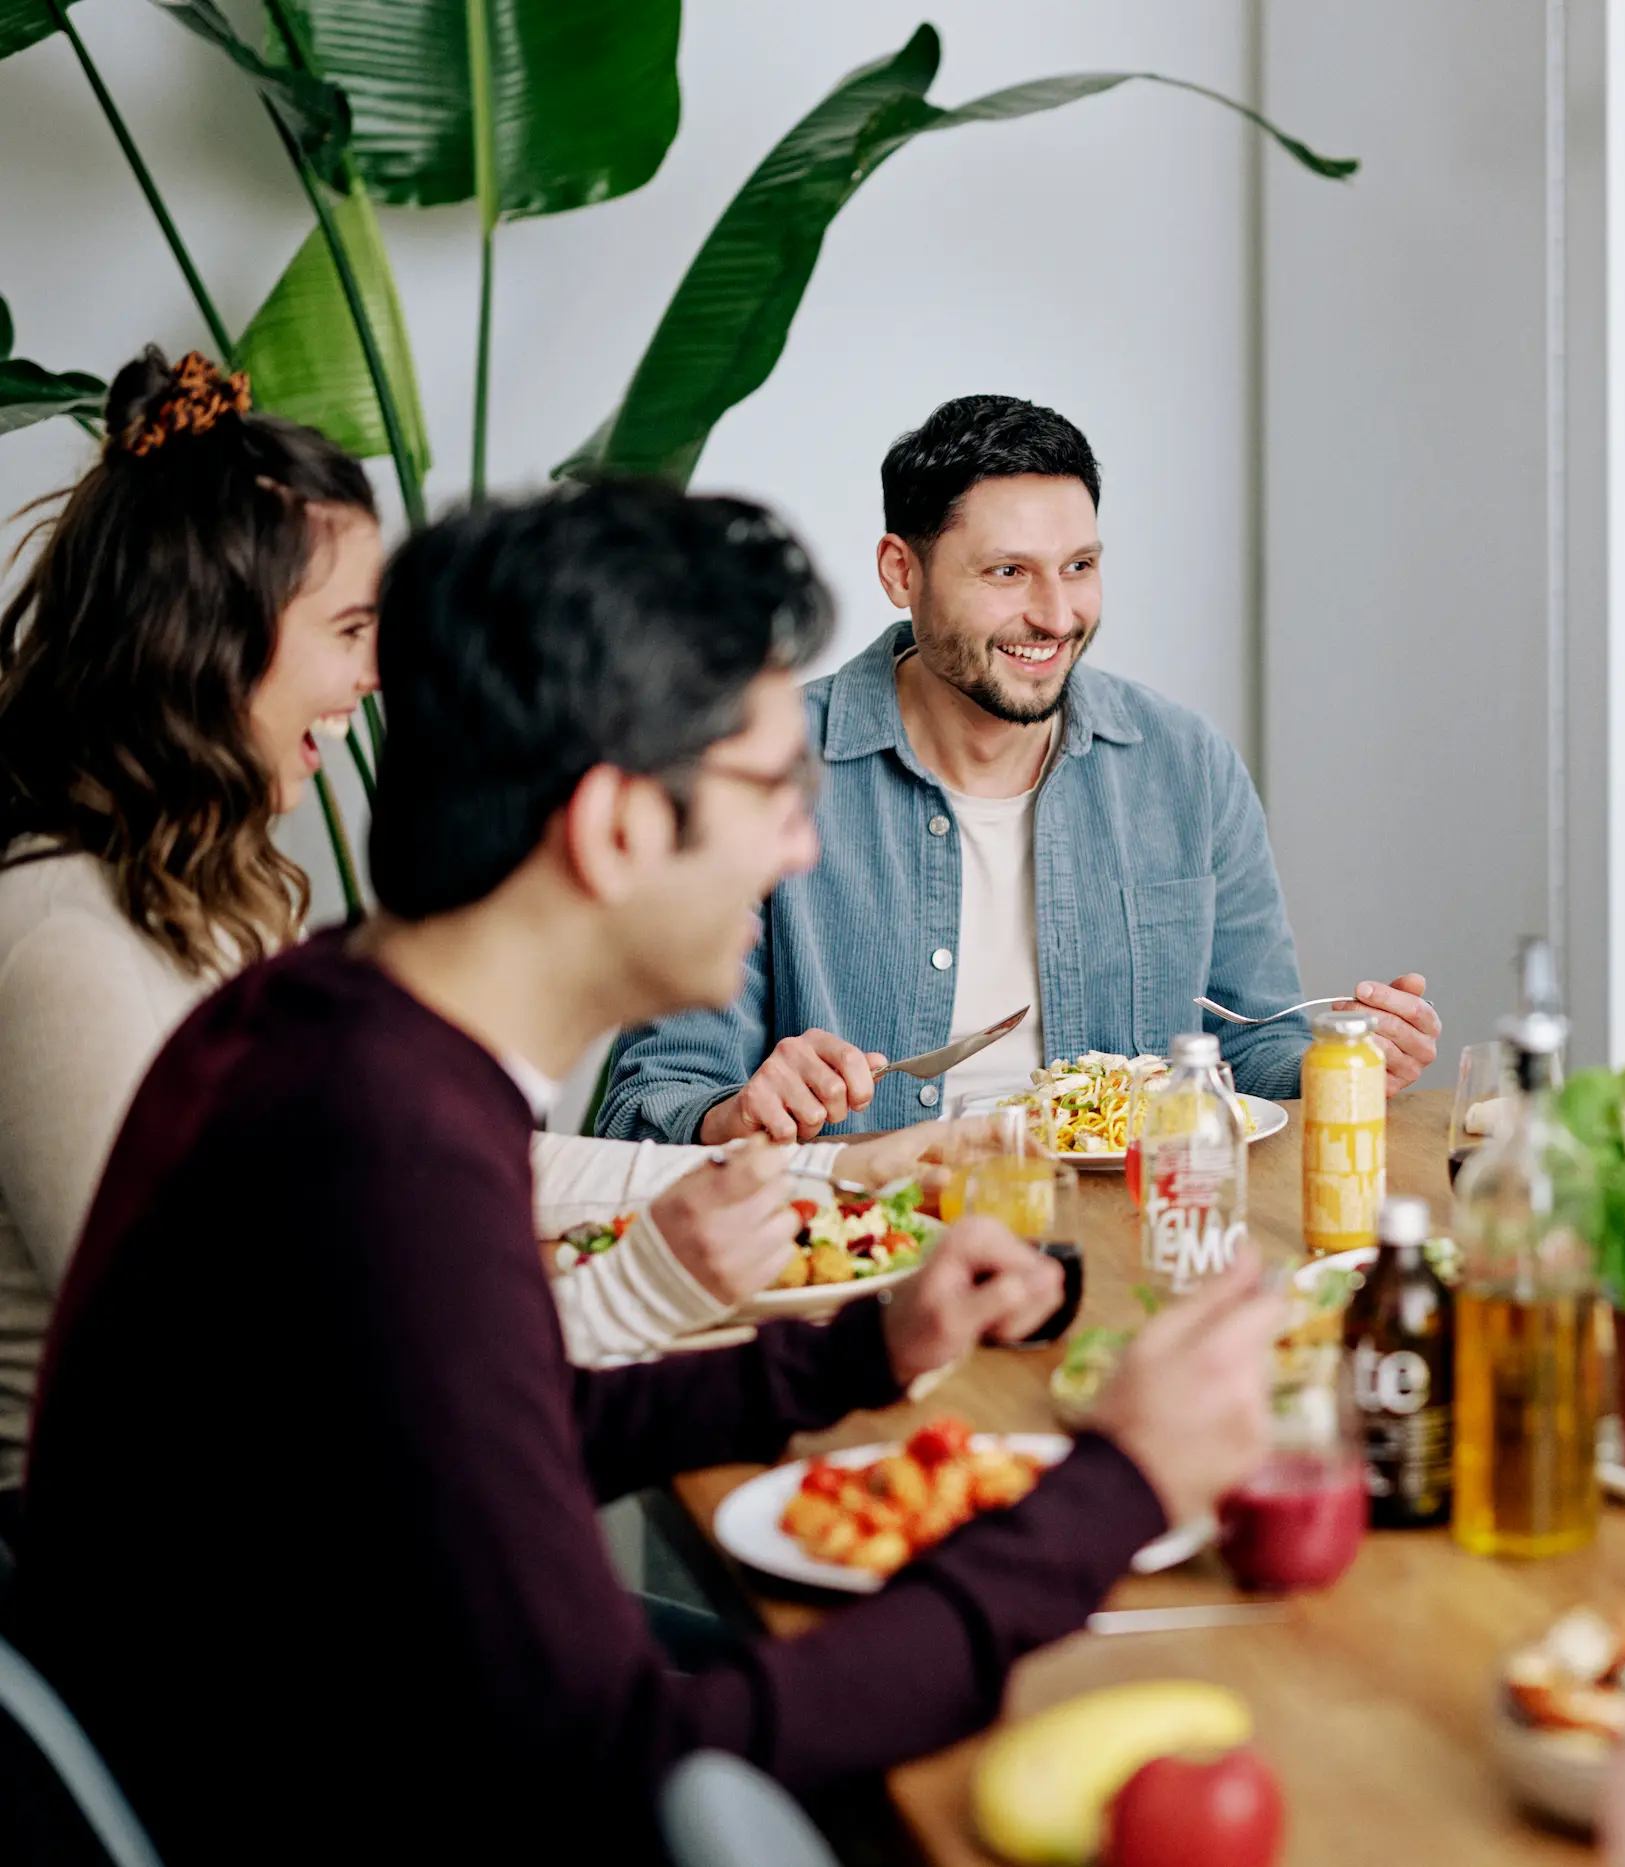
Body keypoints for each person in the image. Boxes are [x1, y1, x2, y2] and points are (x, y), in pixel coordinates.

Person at [12, 478, 1286, 1862]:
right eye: (764, 792)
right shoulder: (391, 1149)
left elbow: (489, 1430)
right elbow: (618, 1760)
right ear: (616, 824)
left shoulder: (335, 1024)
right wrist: (1123, 1486)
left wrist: (855, 1352)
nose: (801, 844)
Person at [0, 354, 966, 1492]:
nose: (373, 680)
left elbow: (465, 1176)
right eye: (350, 628)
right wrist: (640, 1290)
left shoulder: (211, 900)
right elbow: (245, 1383)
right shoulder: (65, 945)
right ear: (208, 637)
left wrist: (823, 1173)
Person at [595, 394, 1441, 1145]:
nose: (1057, 614)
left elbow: (1252, 1046)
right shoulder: (756, 771)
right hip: (876, 1242)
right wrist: (742, 1111)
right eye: (1008, 573)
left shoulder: (1186, 765)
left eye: (1080, 566)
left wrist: (1344, 1056)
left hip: (1127, 1233)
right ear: (902, 571)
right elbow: (650, 1099)